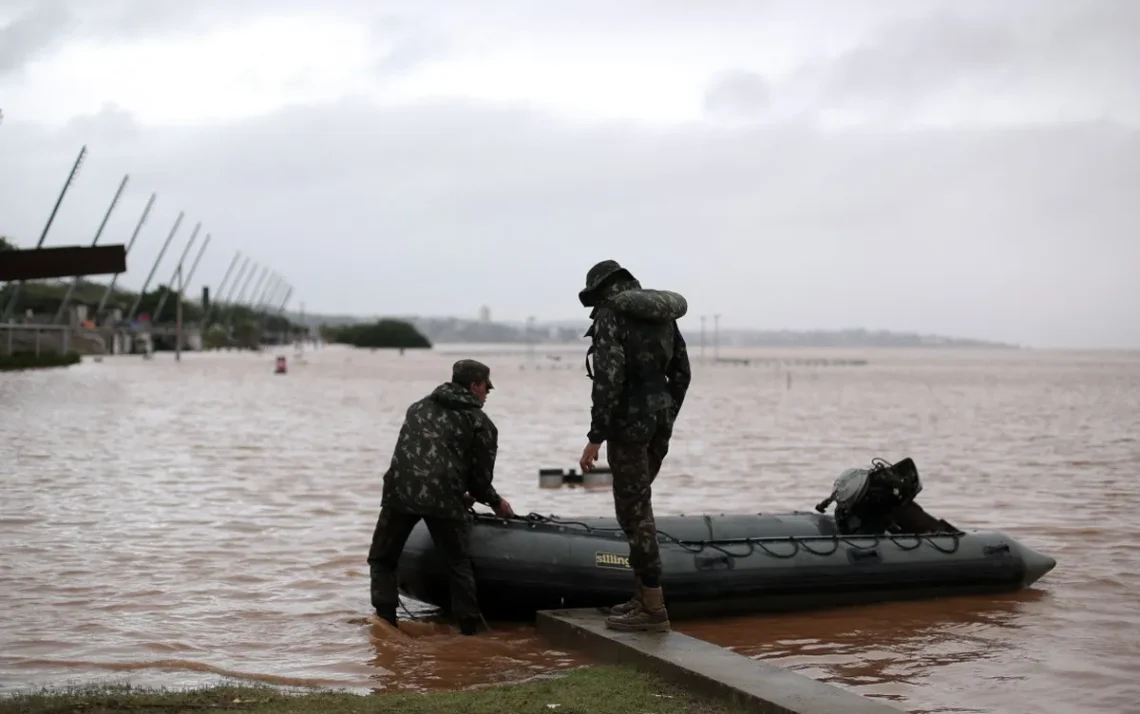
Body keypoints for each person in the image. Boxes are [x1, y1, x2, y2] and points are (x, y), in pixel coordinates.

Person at [577, 260, 691, 632]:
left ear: (602, 290)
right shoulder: (662, 315)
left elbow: (608, 380)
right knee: (639, 505)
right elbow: (682, 372)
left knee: (634, 512)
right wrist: (667, 412)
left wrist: (596, 436)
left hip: (628, 426)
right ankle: (643, 596)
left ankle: (653, 607)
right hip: (659, 420)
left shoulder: (612, 316)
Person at [367, 359, 515, 635]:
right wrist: (496, 502)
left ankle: (385, 625)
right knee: (457, 563)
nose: (487, 393)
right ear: (474, 386)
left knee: (382, 559)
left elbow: (412, 456)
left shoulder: (418, 408)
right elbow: (480, 481)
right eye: (486, 388)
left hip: (399, 493)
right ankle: (469, 631)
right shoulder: (480, 423)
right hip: (445, 500)